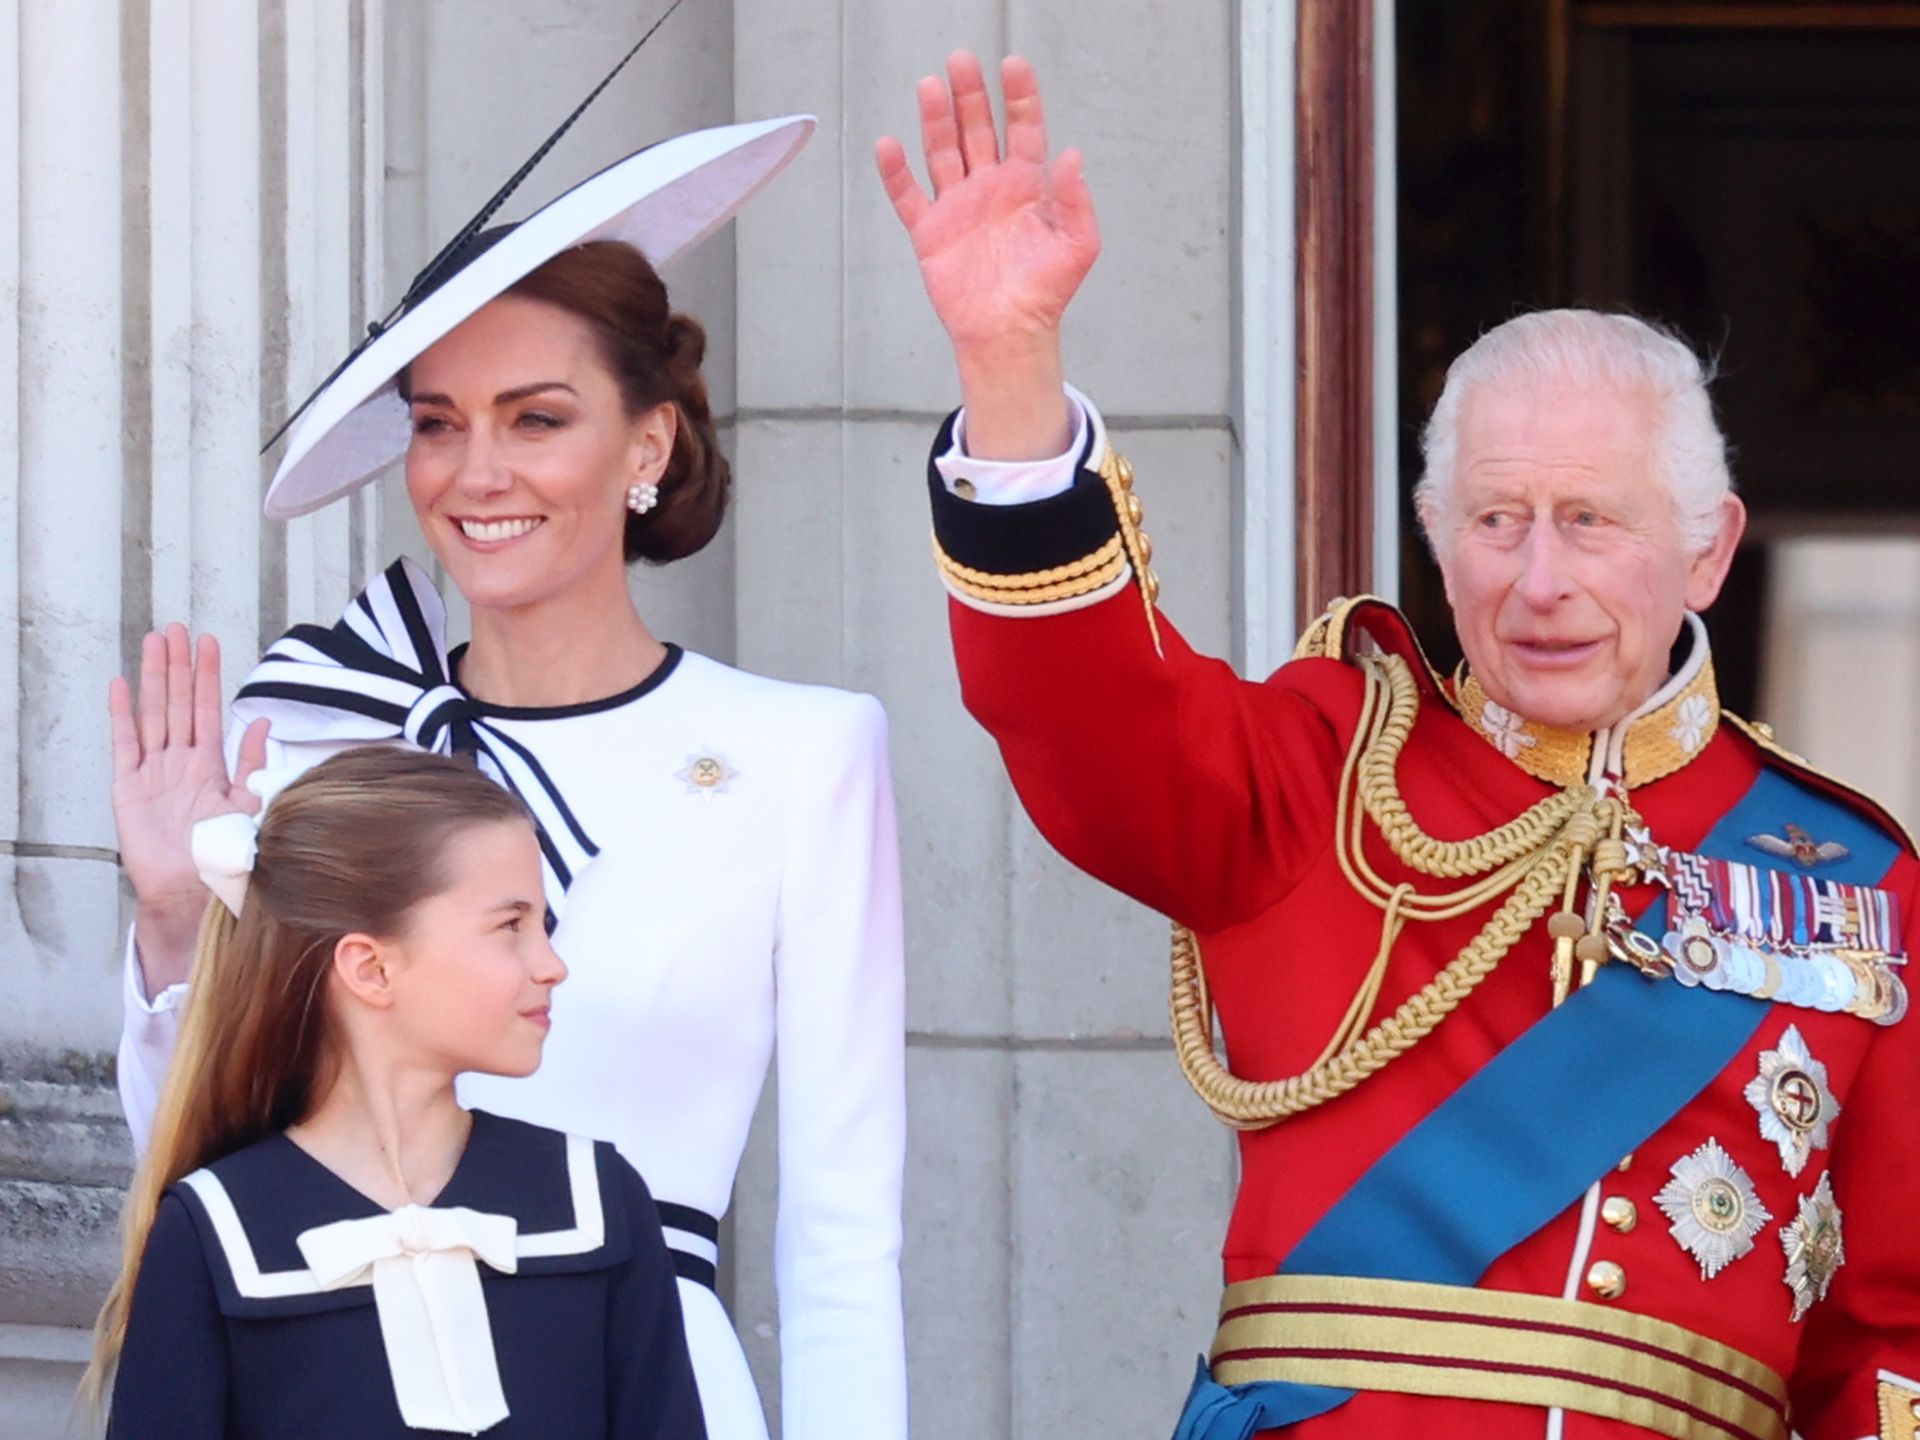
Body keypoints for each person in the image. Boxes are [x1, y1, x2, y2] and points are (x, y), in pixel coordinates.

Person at [876, 52, 1920, 1440]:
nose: (1536, 578)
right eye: (1495, 520)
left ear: (1708, 551)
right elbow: (1090, 708)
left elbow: (1885, 1346)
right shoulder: (1321, 773)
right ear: (1435, 539)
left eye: (1591, 522)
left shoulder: (1854, 881)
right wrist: (1010, 375)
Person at [111, 118, 906, 1440]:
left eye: (536, 418)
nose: (478, 473)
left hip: (647, 1380)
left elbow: (841, 1244)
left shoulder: (804, 753)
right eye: (438, 424)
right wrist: (174, 924)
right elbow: (196, 1158)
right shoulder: (316, 737)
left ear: (646, 447)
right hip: (327, 1364)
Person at [88, 747, 705, 1438]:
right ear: (371, 968)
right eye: (511, 925)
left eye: (544, 927)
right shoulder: (216, 1231)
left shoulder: (596, 1199)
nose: (551, 965)